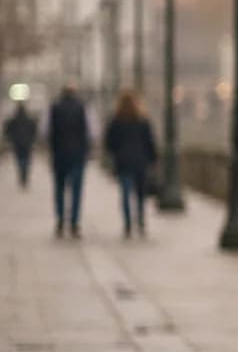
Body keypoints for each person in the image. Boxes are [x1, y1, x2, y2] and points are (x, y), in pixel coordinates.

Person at [104, 90, 158, 239]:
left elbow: (109, 143)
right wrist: (153, 160)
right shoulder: (142, 120)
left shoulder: (116, 120)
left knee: (126, 193)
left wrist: (116, 154)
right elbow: (150, 142)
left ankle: (128, 223)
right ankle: (140, 220)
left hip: (123, 162)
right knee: (140, 194)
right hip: (140, 161)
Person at [43, 85, 93, 238]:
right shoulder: (83, 108)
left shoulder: (54, 108)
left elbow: (45, 130)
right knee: (76, 191)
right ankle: (74, 222)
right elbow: (92, 131)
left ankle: (60, 220)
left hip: (59, 154)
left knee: (59, 189)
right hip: (78, 155)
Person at [4, 101, 34, 189]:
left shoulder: (13, 120)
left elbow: (7, 130)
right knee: (26, 160)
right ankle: (24, 175)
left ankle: (22, 175)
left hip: (17, 143)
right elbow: (34, 131)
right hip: (27, 143)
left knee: (19, 160)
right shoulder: (30, 120)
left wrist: (11, 139)